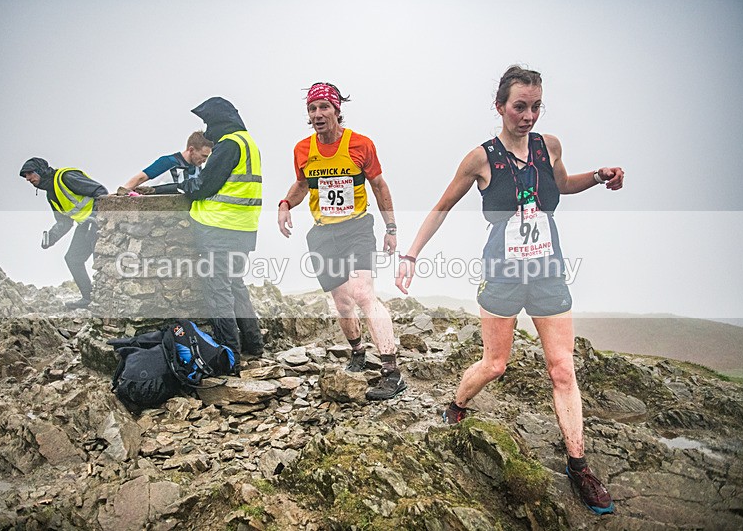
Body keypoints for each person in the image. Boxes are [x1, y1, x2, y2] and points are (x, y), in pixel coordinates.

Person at [395, 65, 624, 514]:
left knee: (562, 368)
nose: (529, 116)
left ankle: (578, 465)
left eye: (536, 106)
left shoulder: (549, 146)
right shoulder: (481, 159)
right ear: (500, 107)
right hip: (501, 273)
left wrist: (597, 175)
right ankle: (458, 403)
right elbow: (442, 207)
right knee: (495, 364)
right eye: (520, 106)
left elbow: (562, 185)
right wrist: (410, 255)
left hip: (547, 271)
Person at [278, 82, 405, 401]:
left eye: (324, 107)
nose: (318, 114)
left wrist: (391, 228)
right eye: (312, 108)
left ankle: (391, 372)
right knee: (342, 300)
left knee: (363, 293)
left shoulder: (360, 145)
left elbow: (379, 185)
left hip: (358, 228)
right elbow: (303, 184)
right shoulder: (302, 150)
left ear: (337, 110)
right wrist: (284, 204)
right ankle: (358, 353)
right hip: (323, 234)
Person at [178, 97, 264, 368]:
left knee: (218, 291)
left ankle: (229, 356)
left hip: (219, 227)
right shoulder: (248, 142)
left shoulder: (228, 145)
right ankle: (254, 344)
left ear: (218, 122)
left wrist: (186, 186)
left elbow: (204, 186)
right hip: (244, 228)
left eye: (208, 123)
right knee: (235, 285)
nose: (207, 129)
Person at [20, 157, 109, 309]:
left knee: (99, 259)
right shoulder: (51, 194)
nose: (28, 178)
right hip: (85, 224)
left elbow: (101, 192)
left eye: (30, 173)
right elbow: (64, 222)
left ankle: (106, 300)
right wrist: (51, 237)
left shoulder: (66, 178)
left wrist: (94, 218)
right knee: (72, 258)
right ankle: (88, 298)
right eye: (26, 176)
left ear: (41, 171)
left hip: (100, 221)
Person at [120, 131, 213, 194]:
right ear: (191, 149)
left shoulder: (198, 168)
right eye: (203, 156)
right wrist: (121, 193)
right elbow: (140, 178)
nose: (205, 160)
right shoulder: (168, 162)